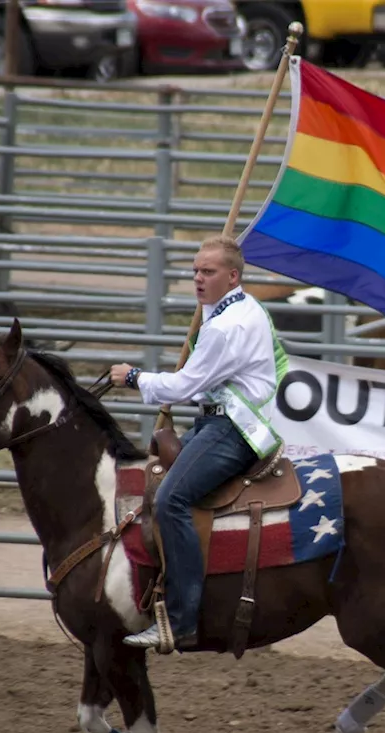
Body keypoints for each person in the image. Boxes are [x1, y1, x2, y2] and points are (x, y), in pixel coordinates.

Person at [109, 235, 288, 652]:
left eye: (207, 272)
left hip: (233, 430)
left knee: (171, 499)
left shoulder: (228, 325)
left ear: (232, 275)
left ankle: (181, 619)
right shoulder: (232, 309)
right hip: (219, 422)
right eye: (194, 270)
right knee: (153, 481)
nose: (197, 278)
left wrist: (134, 378)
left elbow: (187, 385)